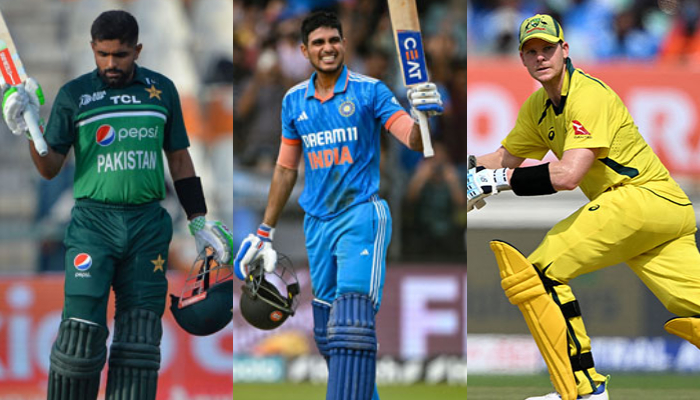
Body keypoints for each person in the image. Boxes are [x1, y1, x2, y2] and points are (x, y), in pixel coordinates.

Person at [0, 10, 233, 400]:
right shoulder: (75, 95)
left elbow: (179, 159)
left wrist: (198, 221)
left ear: (137, 50)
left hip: (147, 226)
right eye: (103, 54)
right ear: (92, 48)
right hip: (93, 225)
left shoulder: (161, 90)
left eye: (121, 55)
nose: (111, 63)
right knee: (79, 340)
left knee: (140, 343)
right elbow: (49, 167)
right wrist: (28, 128)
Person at [467, 14, 700, 400]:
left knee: (538, 274)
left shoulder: (587, 95)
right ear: (522, 60)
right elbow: (502, 158)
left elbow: (568, 175)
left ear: (565, 50)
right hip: (664, 212)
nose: (541, 57)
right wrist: (463, 172)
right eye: (532, 52)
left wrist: (499, 183)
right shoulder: (538, 108)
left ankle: (585, 389)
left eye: (548, 49)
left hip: (638, 197)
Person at [234, 10, 442, 400]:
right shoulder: (294, 100)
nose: (327, 49)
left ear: (344, 44)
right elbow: (283, 170)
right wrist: (265, 232)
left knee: (351, 322)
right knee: (329, 334)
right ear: (304, 50)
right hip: (317, 223)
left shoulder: (370, 91)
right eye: (318, 43)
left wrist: (424, 115)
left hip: (362, 214)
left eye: (333, 41)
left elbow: (412, 139)